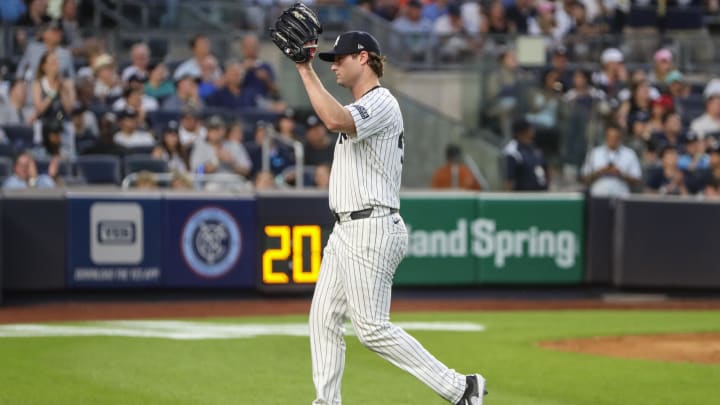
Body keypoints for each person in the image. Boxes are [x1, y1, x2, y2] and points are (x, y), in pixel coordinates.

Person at [289, 30, 485, 405]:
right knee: (323, 318)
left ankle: (461, 387)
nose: (334, 67)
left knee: (372, 329)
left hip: (371, 226)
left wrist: (304, 68)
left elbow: (334, 120)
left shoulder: (381, 102)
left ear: (363, 58)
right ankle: (326, 401)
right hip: (346, 229)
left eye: (340, 59)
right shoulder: (363, 105)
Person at [581, 124, 642, 197]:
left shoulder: (629, 154)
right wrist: (599, 172)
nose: (613, 139)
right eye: (610, 136)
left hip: (621, 196)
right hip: (598, 196)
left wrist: (620, 174)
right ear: (606, 137)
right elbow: (584, 178)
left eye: (616, 137)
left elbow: (637, 179)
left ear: (620, 137)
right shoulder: (594, 153)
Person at [503, 118, 549, 191]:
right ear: (521, 132)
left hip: (541, 195)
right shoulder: (512, 151)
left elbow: (545, 170)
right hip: (523, 197)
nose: (533, 131)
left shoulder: (534, 147)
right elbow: (509, 181)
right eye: (530, 128)